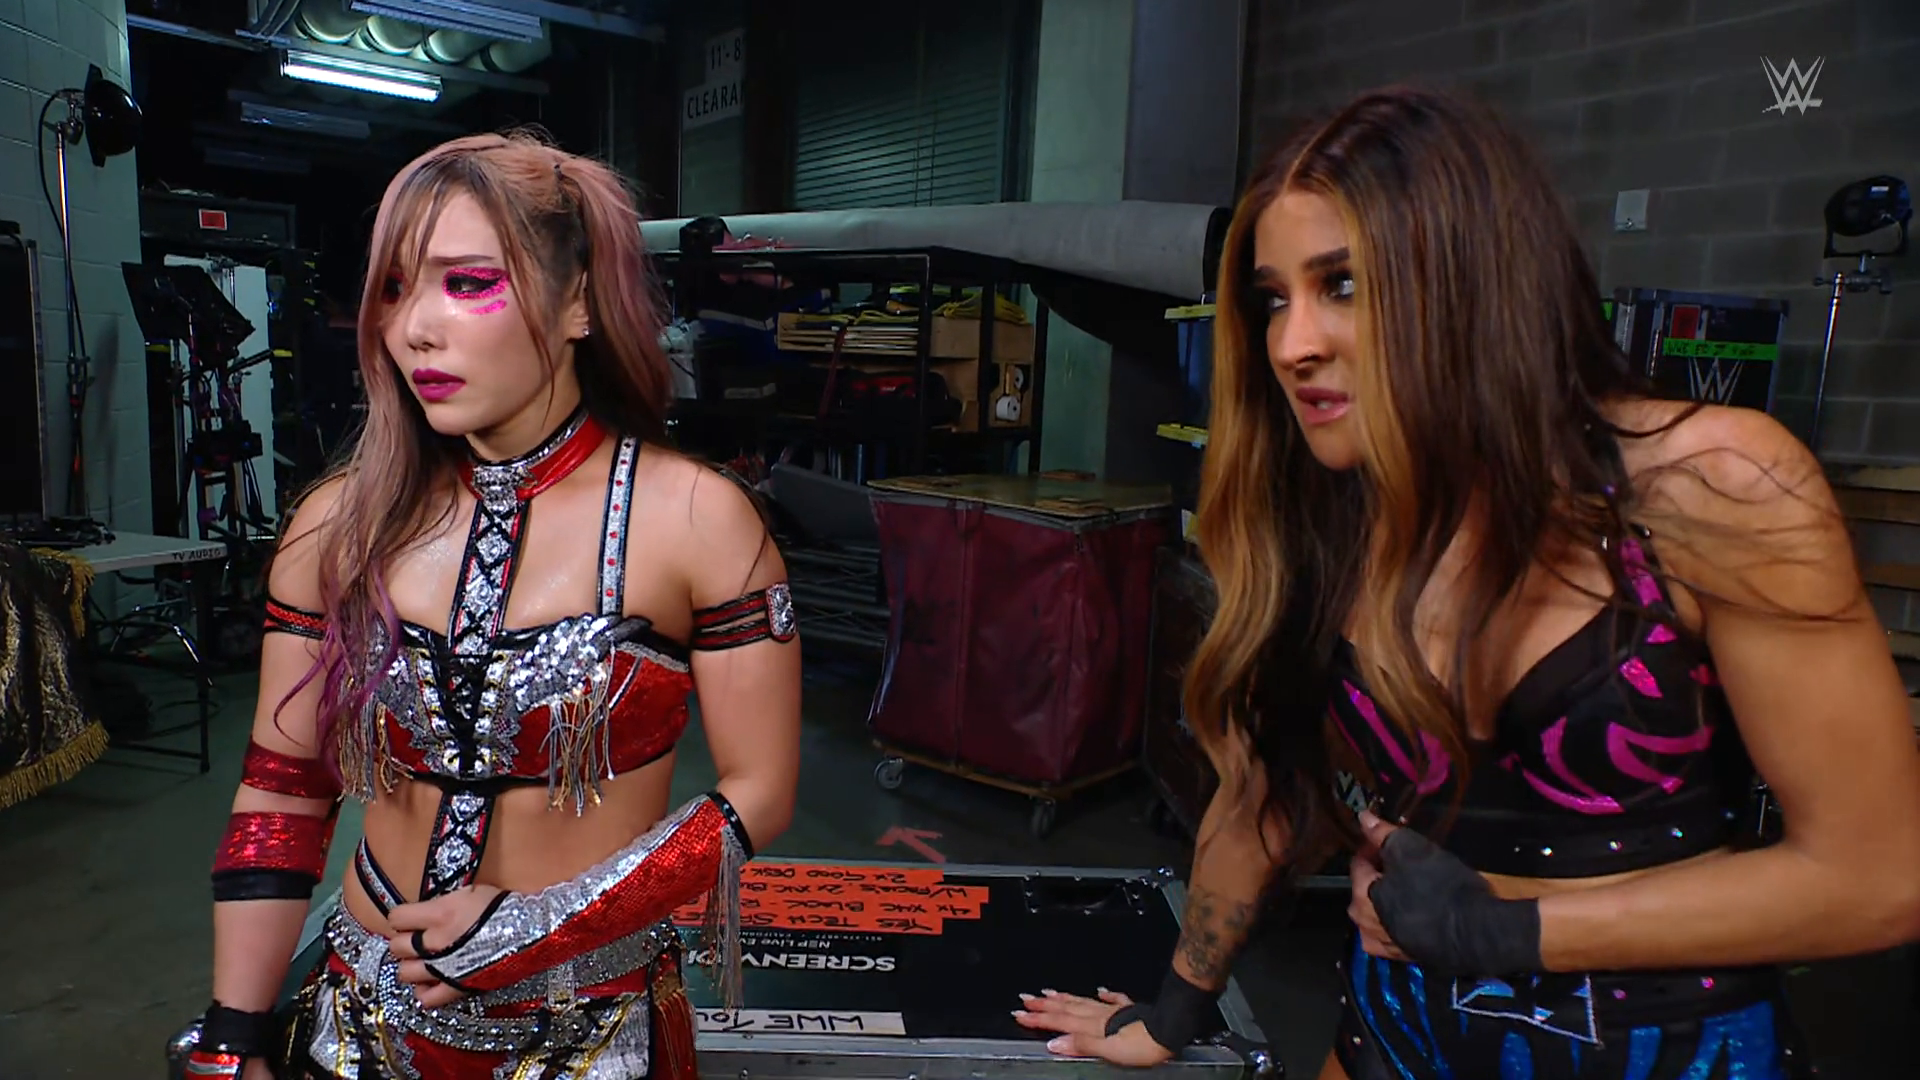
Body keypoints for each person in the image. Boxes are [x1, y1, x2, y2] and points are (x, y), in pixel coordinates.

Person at [1014, 85, 1920, 1079]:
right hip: (1394, 1036)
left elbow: (1880, 878)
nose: (1292, 343)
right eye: (1274, 299)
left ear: (1472, 278)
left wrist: (1505, 931)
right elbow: (1260, 796)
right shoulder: (1328, 514)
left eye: (1342, 284)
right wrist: (1174, 1012)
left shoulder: (1708, 482)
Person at [184, 131, 803, 1080]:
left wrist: (540, 928)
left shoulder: (699, 520)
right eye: (395, 289)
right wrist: (232, 1031)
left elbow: (759, 791)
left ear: (579, 302)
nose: (413, 329)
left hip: (589, 1032)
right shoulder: (336, 523)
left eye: (468, 283)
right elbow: (284, 786)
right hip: (356, 1023)